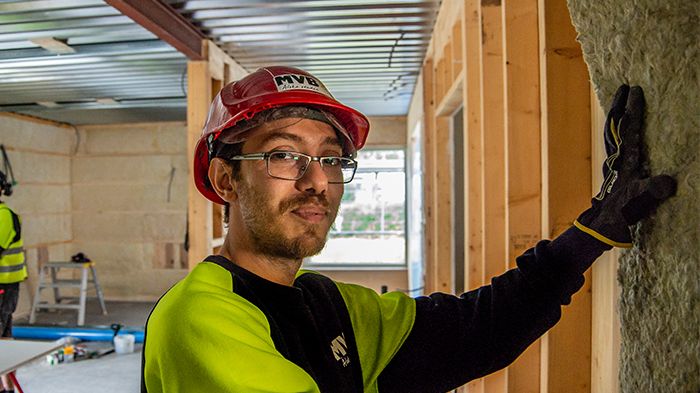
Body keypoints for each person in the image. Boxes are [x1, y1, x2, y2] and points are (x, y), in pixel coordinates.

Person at [141, 66, 676, 393]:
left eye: (330, 159)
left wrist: (590, 234)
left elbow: (475, 331)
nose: (316, 182)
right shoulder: (201, 316)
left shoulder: (329, 304)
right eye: (284, 154)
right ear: (224, 178)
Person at [0, 170, 26, 393]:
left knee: (2, 338)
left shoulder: (4, 215)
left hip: (4, 284)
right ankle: (6, 387)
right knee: (4, 337)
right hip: (4, 284)